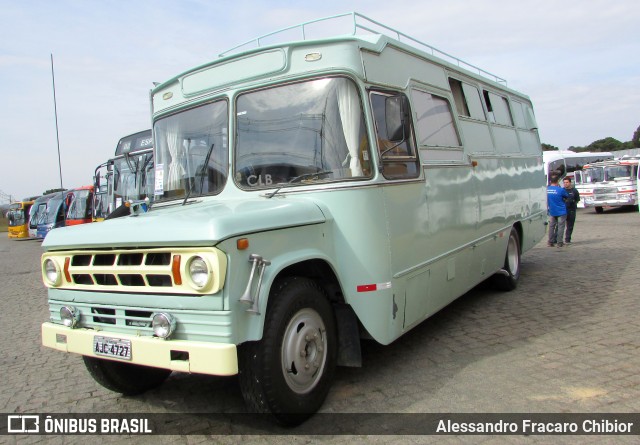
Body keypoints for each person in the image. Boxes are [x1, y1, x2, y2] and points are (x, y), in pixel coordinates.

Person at [547, 176, 569, 247]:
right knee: (560, 227)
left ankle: (550, 242)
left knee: (551, 227)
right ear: (557, 182)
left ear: (550, 182)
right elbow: (566, 196)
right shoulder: (560, 190)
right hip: (561, 211)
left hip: (552, 211)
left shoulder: (547, 190)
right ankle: (559, 242)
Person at [562, 176, 580, 244]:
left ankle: (567, 239)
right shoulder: (562, 190)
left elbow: (577, 199)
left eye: (567, 182)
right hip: (563, 210)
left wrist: (573, 203)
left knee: (570, 226)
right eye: (564, 182)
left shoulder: (574, 190)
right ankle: (558, 240)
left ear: (570, 183)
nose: (565, 184)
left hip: (571, 210)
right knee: (560, 225)